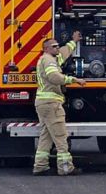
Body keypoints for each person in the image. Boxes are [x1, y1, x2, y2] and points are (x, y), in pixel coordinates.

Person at [32, 32, 81, 176]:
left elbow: (64, 53)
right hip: (51, 103)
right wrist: (73, 80)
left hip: (43, 103)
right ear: (46, 48)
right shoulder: (48, 60)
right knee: (60, 136)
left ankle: (40, 166)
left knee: (46, 136)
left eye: (57, 46)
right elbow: (54, 77)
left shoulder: (49, 58)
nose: (57, 48)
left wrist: (73, 41)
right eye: (54, 46)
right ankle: (65, 167)